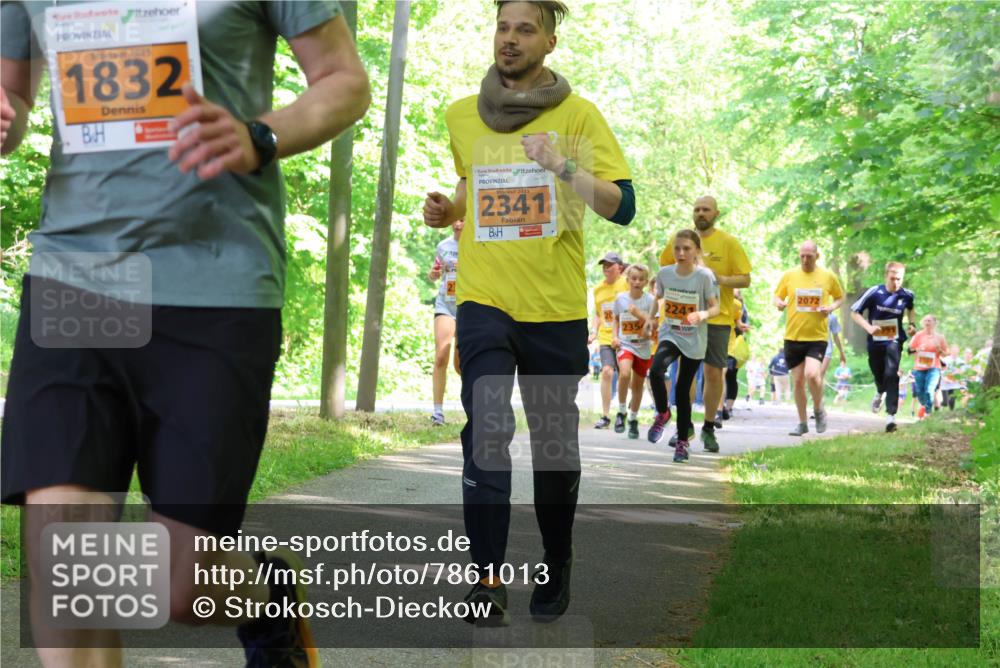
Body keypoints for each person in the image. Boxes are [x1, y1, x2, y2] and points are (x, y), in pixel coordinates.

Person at [1, 2, 371, 665]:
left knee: (184, 587)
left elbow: (345, 81)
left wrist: (261, 134)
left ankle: (266, 598)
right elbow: (13, 92)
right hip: (79, 275)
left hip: (215, 281)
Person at [422, 0, 634, 625]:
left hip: (554, 309)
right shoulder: (462, 116)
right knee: (485, 432)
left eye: (525, 29)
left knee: (551, 445)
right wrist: (448, 209)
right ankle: (486, 582)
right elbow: (474, 185)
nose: (510, 40)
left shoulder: (578, 116)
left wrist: (562, 165)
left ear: (549, 41)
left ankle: (556, 558)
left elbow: (621, 208)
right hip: (484, 302)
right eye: (503, 27)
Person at [658, 196, 751, 452]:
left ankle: (709, 427)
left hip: (717, 318)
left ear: (716, 213)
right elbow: (665, 267)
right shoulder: (680, 240)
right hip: (685, 319)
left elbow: (745, 279)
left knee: (713, 373)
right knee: (685, 374)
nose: (701, 213)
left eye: (706, 209)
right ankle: (683, 428)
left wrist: (716, 278)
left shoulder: (728, 242)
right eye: (697, 209)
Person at [646, 230, 720, 462]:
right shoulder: (665, 274)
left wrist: (703, 313)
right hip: (671, 333)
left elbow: (716, 307)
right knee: (656, 370)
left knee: (682, 390)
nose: (680, 253)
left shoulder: (704, 276)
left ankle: (682, 443)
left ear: (696, 251)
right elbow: (659, 299)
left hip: (695, 338)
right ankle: (663, 412)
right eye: (677, 248)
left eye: (686, 249)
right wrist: (650, 318)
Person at [773, 241, 844, 436]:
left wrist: (830, 307)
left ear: (817, 256)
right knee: (797, 382)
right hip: (793, 336)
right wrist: (779, 303)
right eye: (802, 256)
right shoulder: (790, 275)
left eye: (809, 256)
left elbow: (840, 297)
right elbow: (776, 296)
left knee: (812, 374)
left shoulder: (828, 276)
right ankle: (802, 423)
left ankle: (819, 409)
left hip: (817, 336)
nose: (805, 260)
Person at [850, 261, 916, 432]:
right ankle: (879, 391)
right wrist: (869, 328)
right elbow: (854, 312)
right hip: (875, 340)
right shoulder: (874, 292)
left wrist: (912, 324)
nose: (896, 283)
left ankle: (891, 417)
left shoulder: (906, 295)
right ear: (886, 275)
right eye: (893, 278)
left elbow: (910, 308)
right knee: (878, 372)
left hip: (894, 339)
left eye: (899, 279)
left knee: (892, 373)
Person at [612, 264, 655, 439]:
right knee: (624, 374)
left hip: (643, 347)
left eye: (641, 279)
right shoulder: (620, 299)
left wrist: (639, 316)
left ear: (646, 282)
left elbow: (654, 324)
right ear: (628, 279)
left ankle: (633, 419)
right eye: (634, 278)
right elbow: (616, 319)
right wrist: (615, 336)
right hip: (625, 344)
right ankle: (621, 411)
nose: (637, 282)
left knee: (638, 386)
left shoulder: (650, 301)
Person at [428, 219, 464, 425]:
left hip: (468, 306)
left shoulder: (478, 246)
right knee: (441, 354)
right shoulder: (443, 246)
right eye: (455, 220)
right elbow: (435, 272)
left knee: (461, 365)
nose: (458, 225)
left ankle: (472, 408)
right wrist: (433, 273)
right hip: (446, 304)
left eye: (463, 220)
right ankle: (438, 413)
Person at [590, 252, 628, 428]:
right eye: (604, 265)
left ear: (619, 267)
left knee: (626, 375)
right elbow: (598, 313)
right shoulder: (598, 289)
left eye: (610, 265)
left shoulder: (627, 284)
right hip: (606, 336)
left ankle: (622, 412)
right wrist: (593, 332)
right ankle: (605, 416)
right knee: (606, 371)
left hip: (626, 336)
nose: (606, 268)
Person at [908, 315, 948, 418]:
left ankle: (928, 412)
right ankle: (925, 406)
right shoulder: (917, 335)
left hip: (934, 368)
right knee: (920, 392)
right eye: (925, 320)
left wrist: (940, 351)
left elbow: (946, 353)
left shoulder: (940, 337)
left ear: (934, 323)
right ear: (922, 323)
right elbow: (909, 351)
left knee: (930, 390)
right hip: (919, 368)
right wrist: (917, 350)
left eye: (929, 321)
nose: (927, 323)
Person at [722, 288, 751, 416]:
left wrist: (741, 326)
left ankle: (728, 407)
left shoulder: (740, 307)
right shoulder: (718, 301)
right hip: (719, 343)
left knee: (730, 375)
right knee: (719, 374)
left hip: (733, 345)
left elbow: (742, 324)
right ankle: (719, 406)